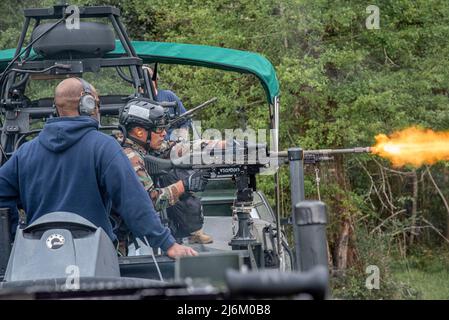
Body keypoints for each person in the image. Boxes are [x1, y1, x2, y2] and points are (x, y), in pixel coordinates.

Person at [0, 77, 196, 259]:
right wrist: (167, 243)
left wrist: (17, 237)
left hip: (41, 256)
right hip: (94, 257)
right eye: (97, 103)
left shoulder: (25, 152)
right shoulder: (105, 148)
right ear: (88, 105)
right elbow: (133, 200)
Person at [115, 98, 213, 245]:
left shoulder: (133, 145)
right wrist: (185, 185)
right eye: (159, 129)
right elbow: (150, 201)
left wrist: (218, 145)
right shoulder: (130, 157)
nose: (164, 133)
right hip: (116, 239)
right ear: (139, 132)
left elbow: (174, 147)